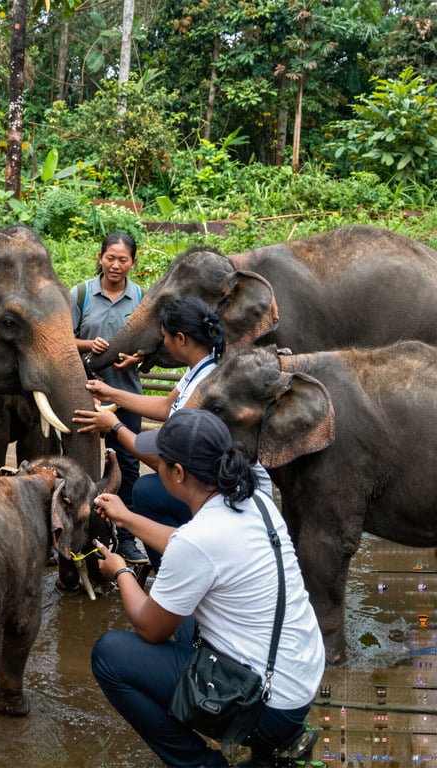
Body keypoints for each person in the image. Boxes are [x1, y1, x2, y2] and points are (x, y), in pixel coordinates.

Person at [90, 408, 324, 768]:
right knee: (182, 616)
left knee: (110, 655)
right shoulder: (255, 500)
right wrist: (127, 518)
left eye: (161, 461)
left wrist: (120, 571)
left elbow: (150, 628)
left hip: (266, 706)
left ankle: (201, 763)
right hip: (298, 681)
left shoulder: (199, 538)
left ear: (178, 473)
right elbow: (191, 544)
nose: (158, 466)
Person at [74, 296, 272, 571]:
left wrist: (114, 427)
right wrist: (112, 393)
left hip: (237, 498)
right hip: (220, 484)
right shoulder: (202, 368)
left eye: (164, 336)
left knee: (147, 491)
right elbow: (167, 406)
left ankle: (176, 571)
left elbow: (162, 460)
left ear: (180, 339)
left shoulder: (208, 384)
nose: (163, 342)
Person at [71, 232, 147, 564]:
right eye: (110, 258)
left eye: (123, 259)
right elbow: (62, 340)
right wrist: (89, 345)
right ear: (100, 258)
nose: (116, 265)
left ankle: (126, 540)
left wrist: (137, 357)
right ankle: (79, 536)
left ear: (133, 262)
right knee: (82, 465)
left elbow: (148, 343)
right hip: (84, 393)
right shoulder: (81, 294)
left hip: (127, 396)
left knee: (128, 466)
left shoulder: (140, 297)